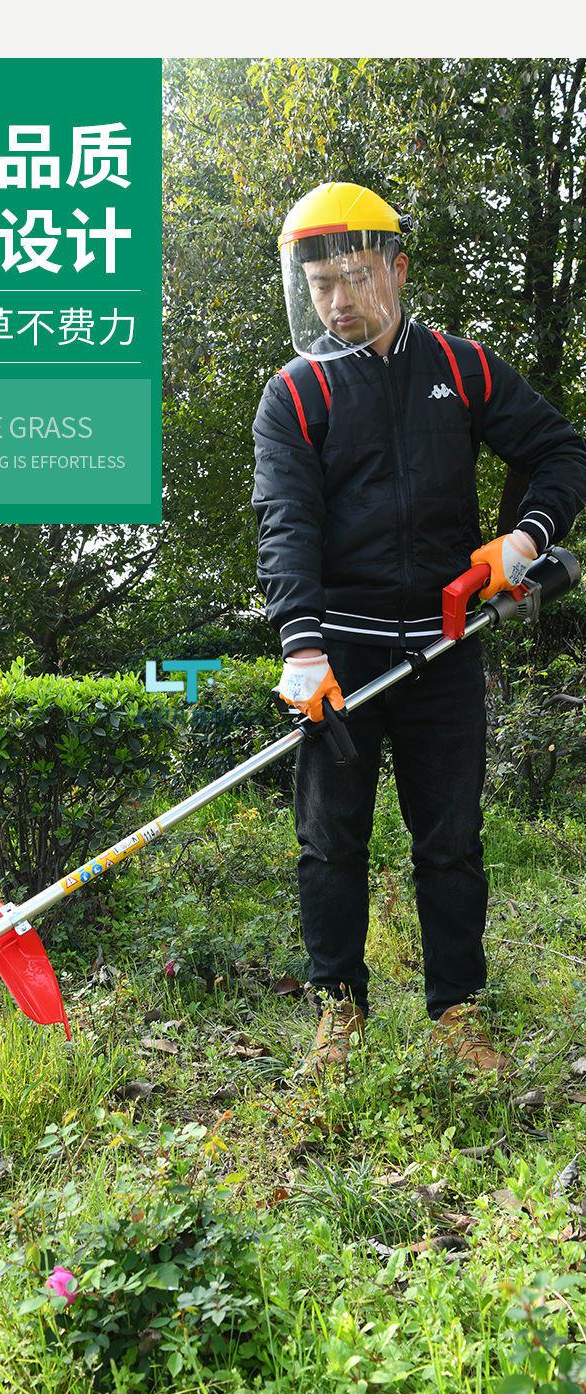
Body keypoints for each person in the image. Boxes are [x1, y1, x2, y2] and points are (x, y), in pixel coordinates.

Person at [251, 181, 586, 1077]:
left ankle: (457, 1012)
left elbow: (561, 450)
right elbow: (287, 524)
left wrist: (524, 537)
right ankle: (339, 1012)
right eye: (319, 284)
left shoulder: (465, 369)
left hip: (445, 644)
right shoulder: (297, 393)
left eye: (355, 276)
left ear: (398, 269)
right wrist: (301, 647)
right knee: (331, 841)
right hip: (341, 655)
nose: (337, 299)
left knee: (449, 838)